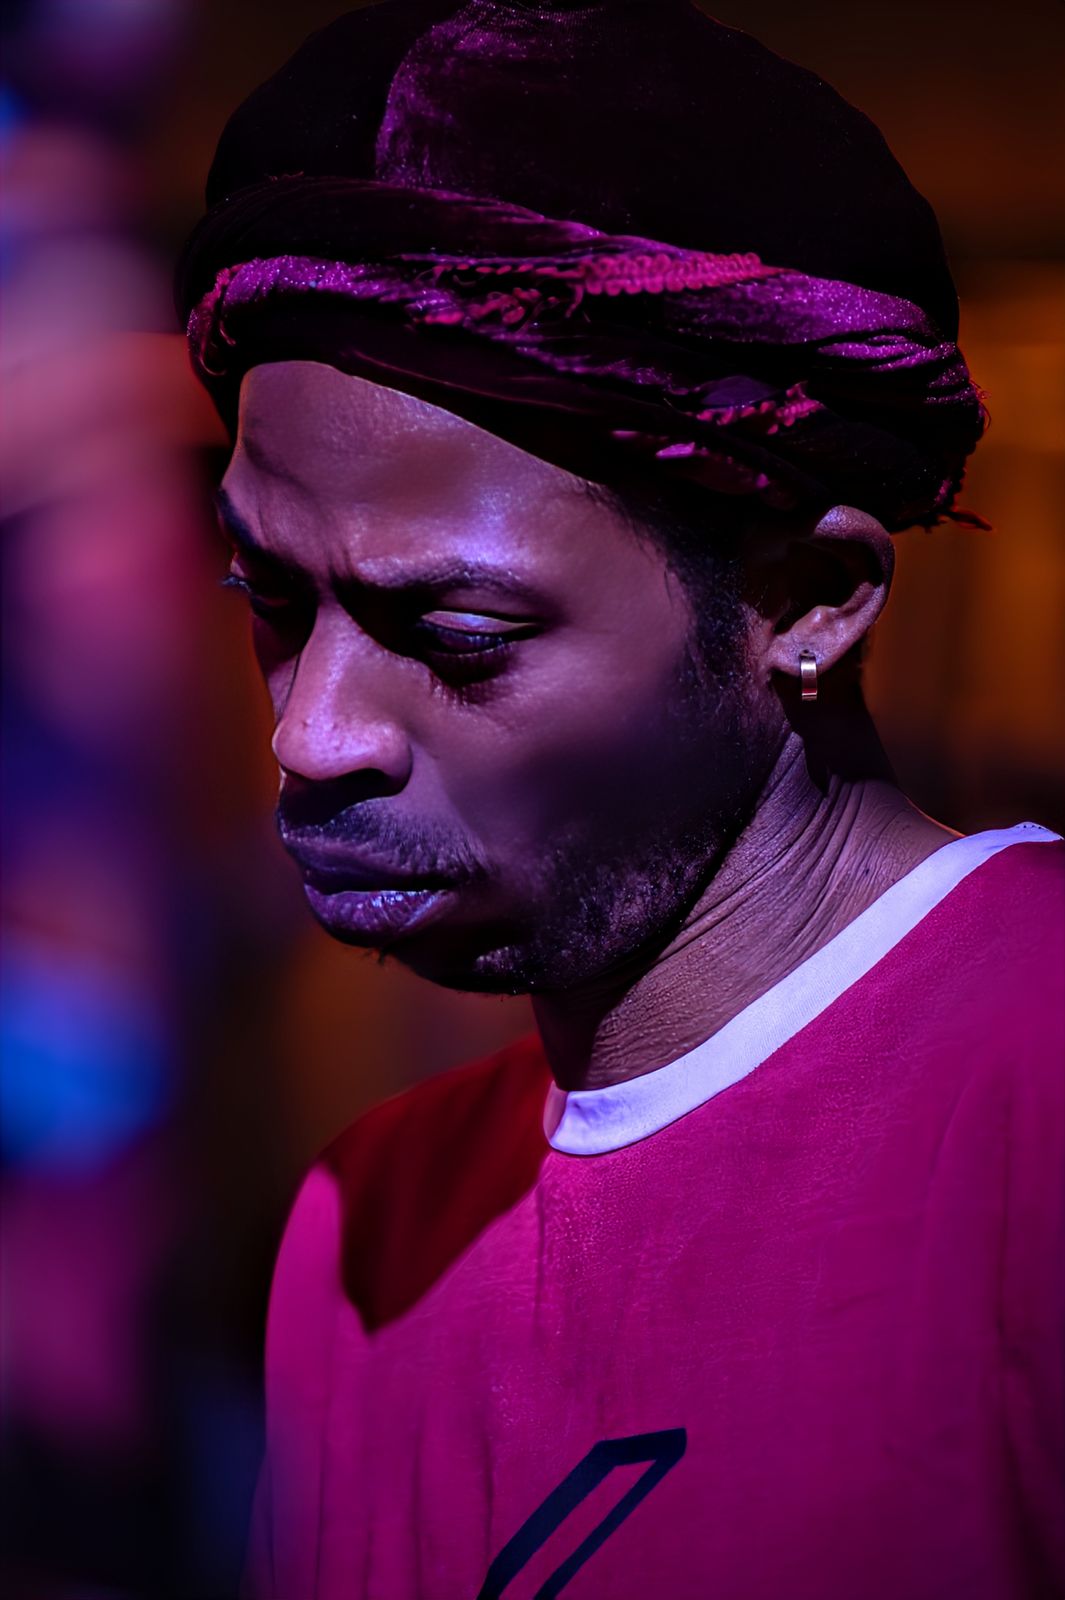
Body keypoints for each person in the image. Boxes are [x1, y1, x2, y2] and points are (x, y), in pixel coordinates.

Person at [178, 2, 1064, 1595]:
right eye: (271, 598)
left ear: (807, 599)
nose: (311, 734)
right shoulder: (362, 1221)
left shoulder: (1033, 1087)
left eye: (458, 633)